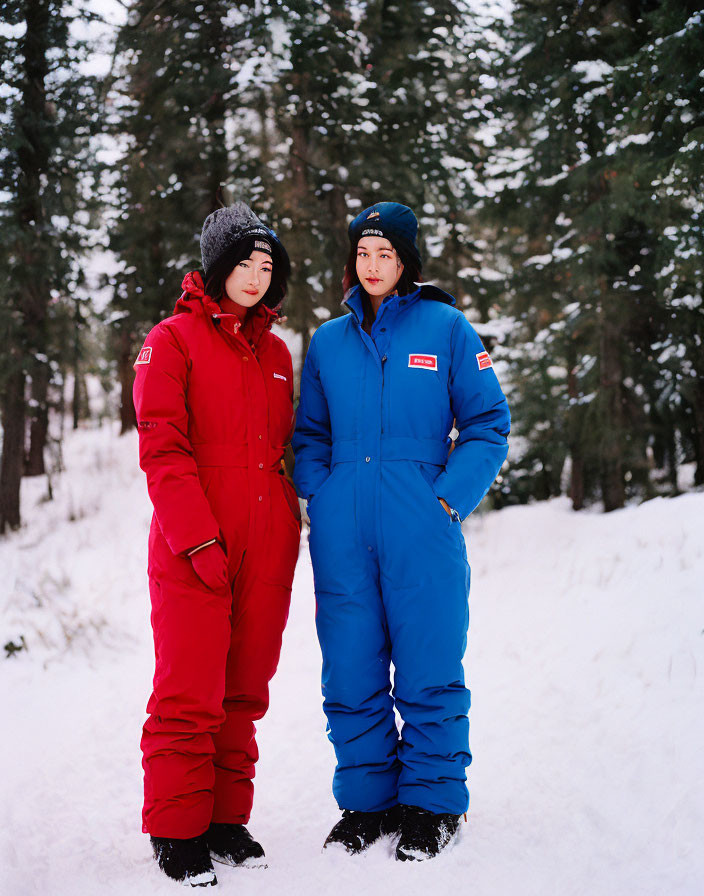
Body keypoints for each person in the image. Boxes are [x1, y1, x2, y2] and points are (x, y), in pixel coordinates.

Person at [292, 201, 510, 862]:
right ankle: (366, 804)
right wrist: (319, 495)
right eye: (363, 252)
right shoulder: (329, 340)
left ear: (406, 259)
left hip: (422, 528)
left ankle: (434, 804)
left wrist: (446, 499)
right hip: (341, 533)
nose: (373, 264)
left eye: (385, 253)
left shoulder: (446, 327)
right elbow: (309, 435)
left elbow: (488, 424)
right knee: (350, 669)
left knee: (429, 665)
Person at [133, 201, 301, 886]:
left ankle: (226, 820)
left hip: (268, 544)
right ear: (217, 266)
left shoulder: (280, 353)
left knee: (243, 692)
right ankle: (176, 830)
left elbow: (292, 448)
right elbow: (162, 448)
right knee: (189, 691)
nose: (257, 276)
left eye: (268, 265)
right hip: (193, 544)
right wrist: (197, 539)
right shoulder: (173, 340)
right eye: (245, 262)